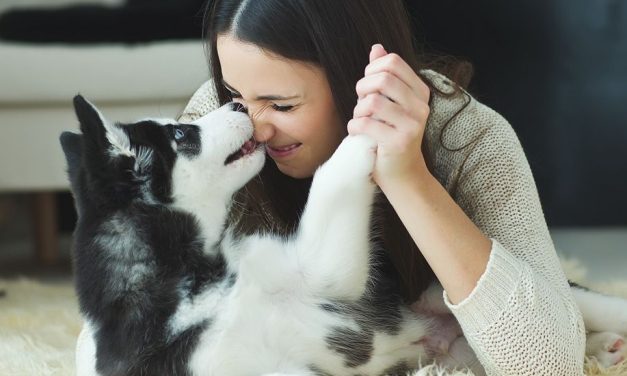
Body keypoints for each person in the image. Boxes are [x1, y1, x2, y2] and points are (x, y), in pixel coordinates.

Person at [179, 0, 586, 375]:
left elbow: (550, 365)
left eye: (283, 105)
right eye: (235, 95)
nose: (255, 128)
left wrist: (407, 175)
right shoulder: (216, 127)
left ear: (355, 77)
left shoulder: (467, 138)